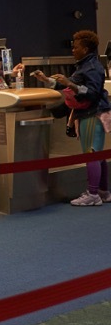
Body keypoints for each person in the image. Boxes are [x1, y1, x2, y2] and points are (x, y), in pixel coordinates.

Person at [29, 30, 111, 206]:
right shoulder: (84, 65)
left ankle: (93, 194)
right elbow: (68, 83)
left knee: (91, 153)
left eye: (76, 47)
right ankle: (102, 191)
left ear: (86, 49)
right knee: (97, 153)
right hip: (91, 113)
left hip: (92, 114)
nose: (73, 50)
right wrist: (47, 80)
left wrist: (71, 84)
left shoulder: (92, 67)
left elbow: (92, 93)